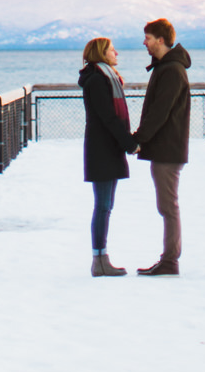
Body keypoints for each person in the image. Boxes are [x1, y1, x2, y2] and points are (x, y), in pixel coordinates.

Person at [131, 17, 191, 275]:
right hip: (166, 147)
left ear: (161, 40)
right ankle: (169, 259)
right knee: (167, 205)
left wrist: (138, 138)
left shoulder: (171, 70)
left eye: (148, 38)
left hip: (168, 148)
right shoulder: (166, 68)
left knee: (168, 206)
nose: (145, 43)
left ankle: (170, 261)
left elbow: (159, 112)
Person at [78, 35, 132, 276]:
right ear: (101, 53)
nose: (116, 53)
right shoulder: (98, 81)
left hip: (106, 147)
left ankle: (101, 258)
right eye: (112, 50)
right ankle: (99, 260)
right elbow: (108, 117)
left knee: (105, 205)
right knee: (102, 205)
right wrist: (129, 142)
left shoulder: (103, 77)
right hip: (102, 149)